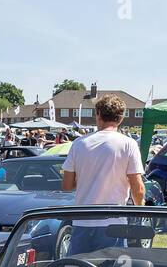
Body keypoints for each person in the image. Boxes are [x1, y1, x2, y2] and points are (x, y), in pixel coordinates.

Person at [61, 93, 145, 254]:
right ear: (120, 118)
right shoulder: (128, 144)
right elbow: (138, 188)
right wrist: (139, 211)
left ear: (98, 114)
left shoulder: (79, 143)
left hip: (82, 221)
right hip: (114, 223)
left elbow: (67, 185)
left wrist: (88, 179)